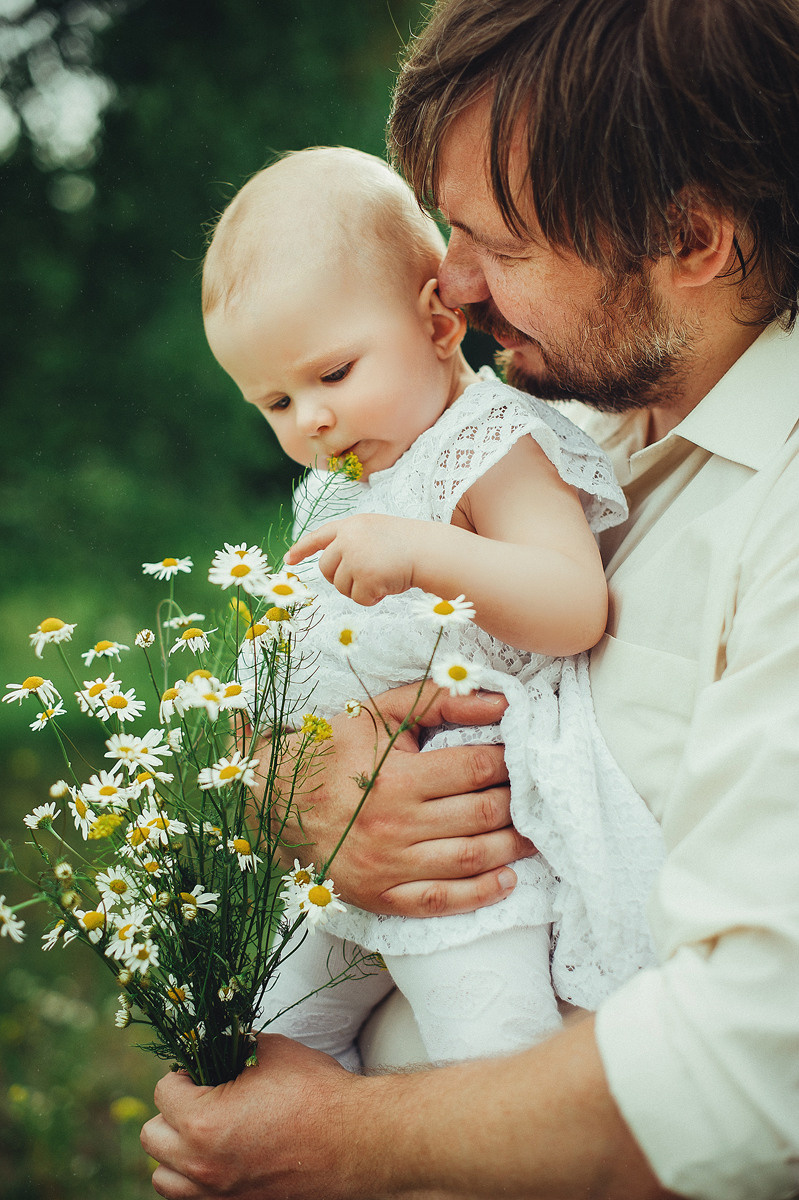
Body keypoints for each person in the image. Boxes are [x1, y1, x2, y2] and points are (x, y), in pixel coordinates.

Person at [141, 1, 799, 1197]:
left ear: (692, 238)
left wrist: (332, 1144)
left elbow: (760, 1062)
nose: (446, 281)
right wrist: (299, 785)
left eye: (499, 239)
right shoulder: (569, 403)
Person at [198, 145, 663, 1072]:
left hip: (470, 835)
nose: (310, 423)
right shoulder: (348, 480)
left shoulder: (490, 444)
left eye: (332, 374)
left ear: (438, 319)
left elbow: (572, 604)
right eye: (275, 402)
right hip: (342, 843)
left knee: (487, 1052)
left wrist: (423, 552)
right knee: (270, 1042)